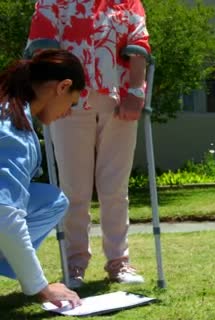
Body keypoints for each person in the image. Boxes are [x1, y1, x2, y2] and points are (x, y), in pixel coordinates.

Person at [27, 0, 151, 287]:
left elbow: (139, 45)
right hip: (68, 100)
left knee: (115, 186)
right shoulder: (51, 2)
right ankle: (75, 263)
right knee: (73, 188)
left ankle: (119, 262)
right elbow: (42, 48)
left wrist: (135, 91)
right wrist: (53, 95)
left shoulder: (128, 1)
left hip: (117, 99)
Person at [0, 49, 85, 307]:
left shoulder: (9, 108)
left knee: (53, 201)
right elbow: (4, 213)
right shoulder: (12, 130)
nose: (67, 112)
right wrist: (41, 287)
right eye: (71, 103)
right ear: (63, 87)